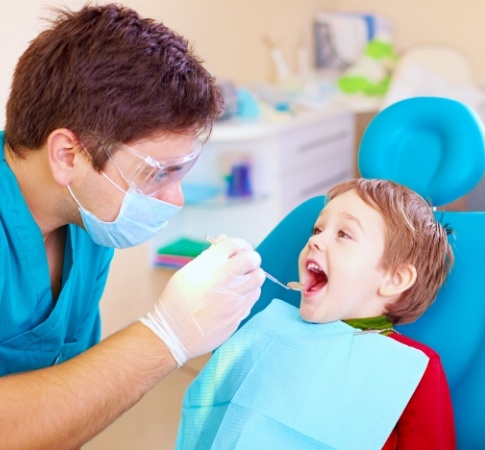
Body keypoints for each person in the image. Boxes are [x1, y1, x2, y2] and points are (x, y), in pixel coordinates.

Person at [0, 4, 264, 449]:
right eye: (158, 173)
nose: (174, 199)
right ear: (68, 156)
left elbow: (70, 395)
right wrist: (167, 335)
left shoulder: (87, 225)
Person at [177, 178, 456, 449]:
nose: (316, 241)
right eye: (317, 230)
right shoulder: (271, 328)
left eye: (344, 234)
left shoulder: (410, 368)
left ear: (394, 279)